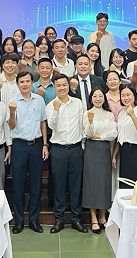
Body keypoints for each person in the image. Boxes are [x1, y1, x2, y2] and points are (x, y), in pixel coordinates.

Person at [45, 74, 87, 234]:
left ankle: (76, 219)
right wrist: (56, 110)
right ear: (54, 87)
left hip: (76, 148)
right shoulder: (50, 106)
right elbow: (51, 126)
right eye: (59, 85)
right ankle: (59, 220)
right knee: (59, 186)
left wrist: (82, 145)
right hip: (58, 150)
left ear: (68, 86)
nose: (62, 88)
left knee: (76, 185)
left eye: (64, 85)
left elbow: (82, 124)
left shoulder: (77, 103)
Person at [10, 72, 49, 234]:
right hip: (19, 145)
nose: (25, 84)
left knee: (36, 184)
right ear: (17, 84)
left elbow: (43, 123)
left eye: (27, 81)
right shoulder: (12, 101)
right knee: (18, 184)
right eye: (22, 82)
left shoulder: (39, 100)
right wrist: (11, 112)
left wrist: (45, 144)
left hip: (36, 145)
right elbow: (11, 126)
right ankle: (19, 221)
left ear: (32, 83)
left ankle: (34, 220)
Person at [82, 86, 117, 234]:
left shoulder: (109, 114)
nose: (97, 99)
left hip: (104, 150)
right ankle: (93, 217)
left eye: (100, 96)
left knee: (104, 182)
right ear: (91, 99)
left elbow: (113, 133)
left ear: (104, 98)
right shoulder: (87, 113)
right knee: (91, 182)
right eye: (95, 96)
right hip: (91, 149)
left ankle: (103, 215)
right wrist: (91, 122)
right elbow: (88, 133)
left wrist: (100, 135)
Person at [115, 84, 137, 187]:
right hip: (124, 151)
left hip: (136, 151)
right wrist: (114, 155)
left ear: (134, 95)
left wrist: (132, 115)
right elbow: (119, 136)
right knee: (124, 183)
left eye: (128, 95)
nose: (126, 98)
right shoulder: (121, 113)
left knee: (136, 185)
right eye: (123, 95)